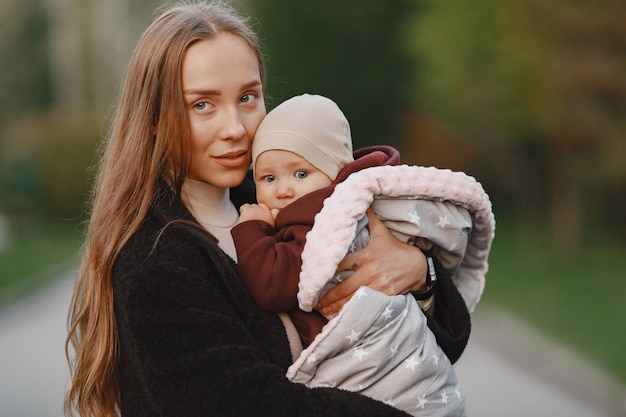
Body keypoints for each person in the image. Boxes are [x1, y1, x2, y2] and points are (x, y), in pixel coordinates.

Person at [64, 2, 472, 416]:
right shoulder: (154, 260)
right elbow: (248, 405)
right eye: (202, 104)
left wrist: (420, 273)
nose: (235, 129)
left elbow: (432, 352)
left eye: (247, 97)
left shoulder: (283, 202)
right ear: (154, 116)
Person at [231, 93, 495, 416]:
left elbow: (273, 282)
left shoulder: (314, 216)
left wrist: (251, 231)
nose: (283, 189)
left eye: (301, 174)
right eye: (268, 178)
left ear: (333, 173)